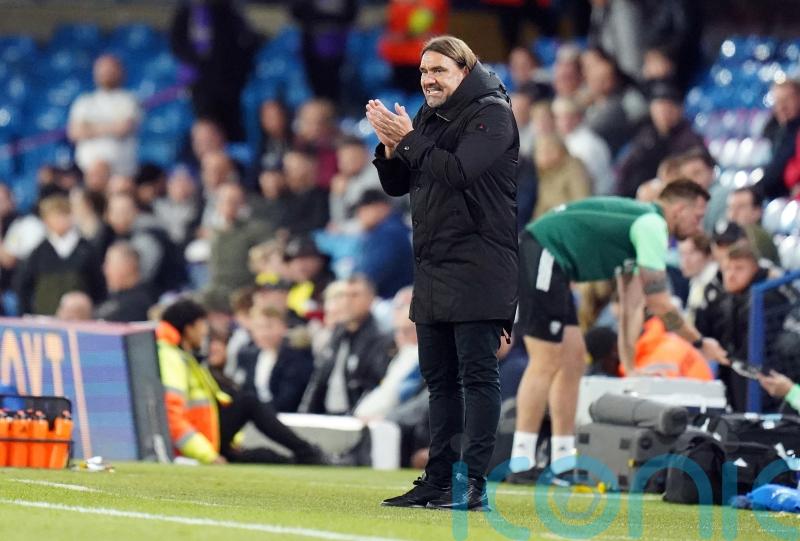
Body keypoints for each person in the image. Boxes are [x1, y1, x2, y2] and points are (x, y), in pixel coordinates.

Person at [367, 35, 518, 510]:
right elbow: (400, 185)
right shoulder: (433, 115)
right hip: (433, 266)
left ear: (464, 70)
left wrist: (409, 138)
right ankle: (438, 480)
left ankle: (472, 483)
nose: (429, 80)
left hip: (479, 264)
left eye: (439, 71)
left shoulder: (491, 114)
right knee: (439, 381)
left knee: (477, 377)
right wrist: (391, 148)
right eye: (423, 72)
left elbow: (457, 172)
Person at [510, 180, 730, 483]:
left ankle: (561, 462)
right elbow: (659, 301)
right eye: (697, 216)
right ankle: (521, 462)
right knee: (545, 361)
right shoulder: (652, 225)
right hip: (543, 254)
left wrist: (629, 366)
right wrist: (700, 342)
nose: (698, 225)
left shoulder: (639, 226)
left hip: (555, 262)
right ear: (680, 209)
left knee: (573, 361)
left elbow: (631, 305)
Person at [157, 298, 326, 465]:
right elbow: (172, 415)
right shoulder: (172, 358)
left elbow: (217, 401)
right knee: (248, 403)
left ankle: (302, 458)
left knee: (262, 456)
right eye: (202, 325)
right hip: (200, 443)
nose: (205, 332)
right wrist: (207, 455)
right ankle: (307, 452)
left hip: (206, 438)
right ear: (189, 328)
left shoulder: (178, 355)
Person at [299, 275, 392, 415]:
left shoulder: (381, 339)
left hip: (355, 418)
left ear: (371, 299)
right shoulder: (337, 335)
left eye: (355, 295)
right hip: (327, 416)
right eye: (343, 295)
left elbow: (374, 385)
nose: (347, 301)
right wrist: (305, 414)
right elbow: (319, 379)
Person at [169, 0, 258, 141]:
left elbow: (242, 45)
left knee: (229, 126)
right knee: (204, 124)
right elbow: (177, 43)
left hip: (226, 83)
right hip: (199, 85)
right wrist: (194, 62)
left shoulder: (226, 11)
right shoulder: (184, 14)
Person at [14, 195, 105, 316]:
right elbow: (23, 285)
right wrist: (27, 313)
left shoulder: (87, 250)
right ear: (46, 220)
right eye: (54, 216)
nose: (60, 220)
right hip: (45, 320)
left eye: (64, 214)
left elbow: (99, 286)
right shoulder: (38, 252)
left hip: (82, 321)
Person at [616, 80, 705, 198]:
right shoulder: (645, 135)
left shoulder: (690, 140)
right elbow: (625, 170)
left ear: (679, 110)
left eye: (668, 107)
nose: (663, 113)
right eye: (659, 107)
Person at [67, 55, 140, 177]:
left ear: (120, 72)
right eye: (102, 70)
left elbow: (123, 128)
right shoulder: (84, 101)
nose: (106, 74)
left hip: (120, 173)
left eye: (110, 70)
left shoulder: (129, 100)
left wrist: (89, 128)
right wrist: (111, 127)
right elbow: (74, 132)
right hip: (85, 172)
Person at [352, 189, 414, 299]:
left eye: (364, 209)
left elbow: (371, 274)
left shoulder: (389, 232)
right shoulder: (387, 229)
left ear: (381, 207)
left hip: (393, 299)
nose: (360, 215)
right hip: (396, 297)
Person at [95, 241, 154, 322]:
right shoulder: (113, 297)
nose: (105, 270)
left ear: (127, 267)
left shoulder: (136, 304)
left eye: (109, 264)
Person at [726, 186, 780, 266]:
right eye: (731, 207)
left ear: (757, 212)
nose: (733, 214)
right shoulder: (726, 236)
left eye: (741, 207)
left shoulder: (760, 237)